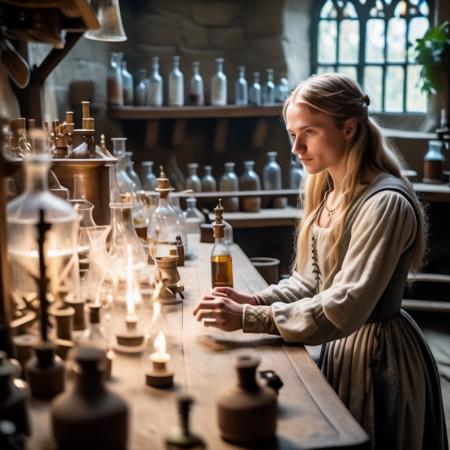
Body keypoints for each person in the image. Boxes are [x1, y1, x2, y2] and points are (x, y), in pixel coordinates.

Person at [193, 73, 448, 450]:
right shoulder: (327, 190)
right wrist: (256, 301)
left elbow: (345, 305)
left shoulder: (385, 203)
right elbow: (311, 281)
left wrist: (250, 319)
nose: (296, 147)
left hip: (379, 356)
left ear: (348, 128)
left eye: (308, 132)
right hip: (340, 347)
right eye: (293, 133)